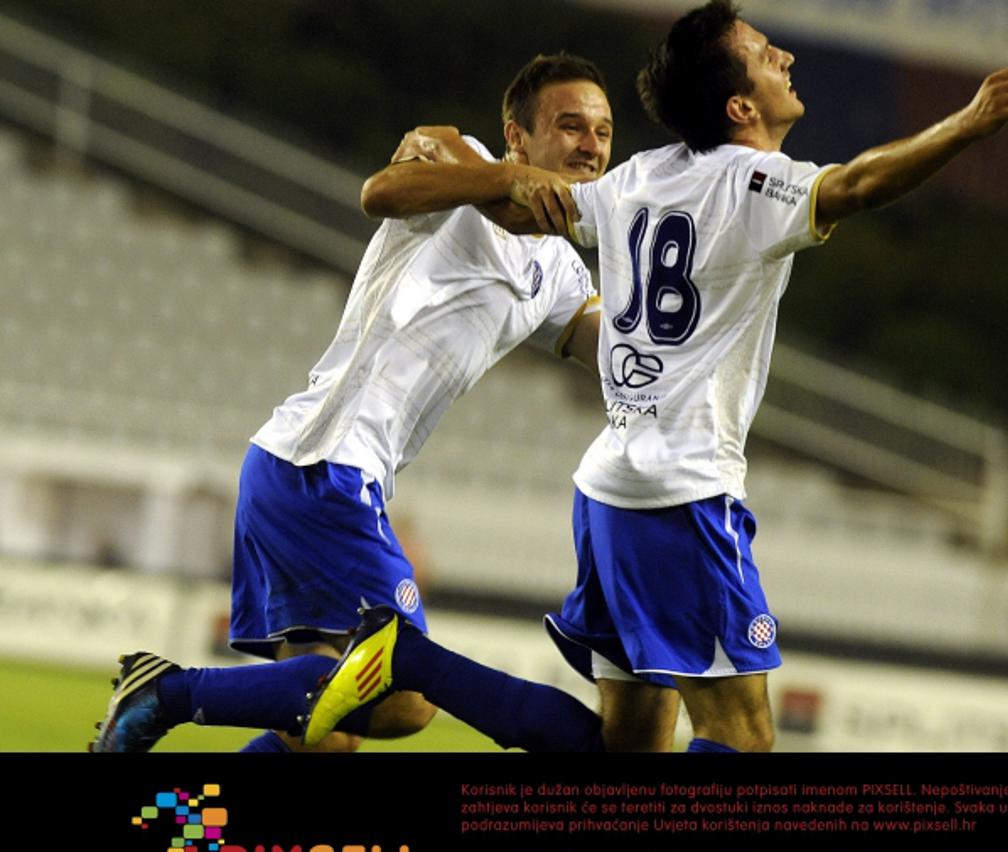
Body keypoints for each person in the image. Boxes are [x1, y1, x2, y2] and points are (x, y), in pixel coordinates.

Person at [302, 0, 1008, 752]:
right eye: (764, 52)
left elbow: (516, 208)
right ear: (740, 104)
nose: (784, 57)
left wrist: (451, 159)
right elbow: (854, 188)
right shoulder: (753, 183)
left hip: (612, 492)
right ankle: (396, 662)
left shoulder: (637, 178)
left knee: (633, 743)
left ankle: (409, 662)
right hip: (683, 495)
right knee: (742, 738)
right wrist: (969, 124)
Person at [88, 52, 681, 754]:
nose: (591, 145)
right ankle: (166, 693)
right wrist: (495, 174)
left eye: (604, 132)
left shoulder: (554, 268)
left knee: (322, 740)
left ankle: (180, 825)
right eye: (570, 126)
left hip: (306, 468)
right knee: (404, 697)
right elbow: (379, 193)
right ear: (517, 137)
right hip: (325, 464)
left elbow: (617, 355)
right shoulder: (464, 177)